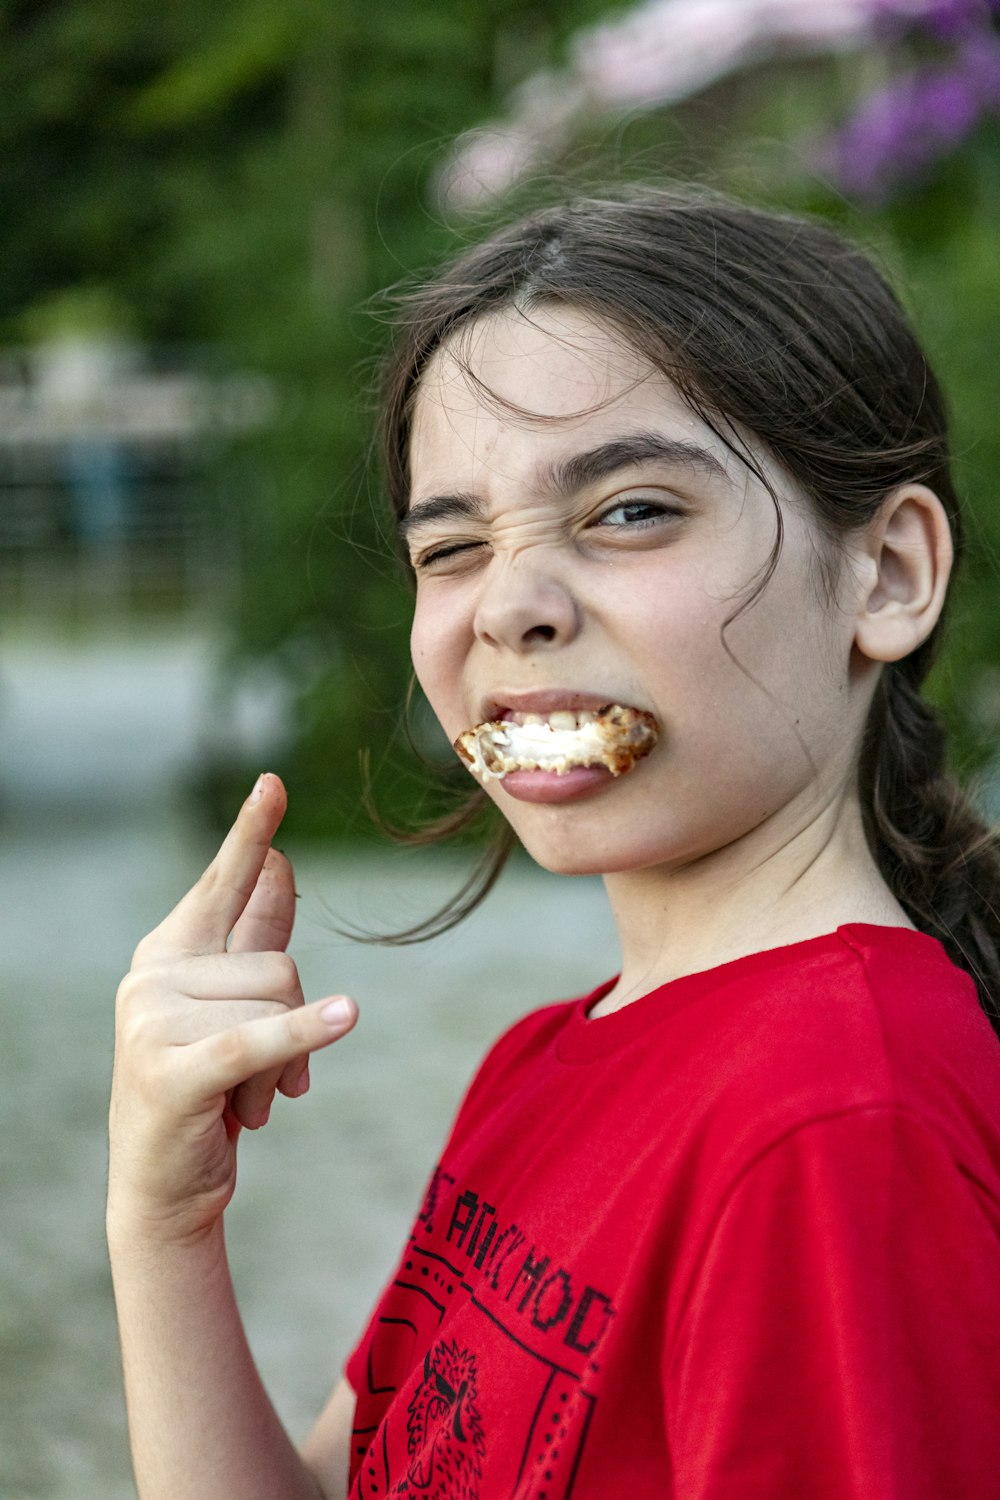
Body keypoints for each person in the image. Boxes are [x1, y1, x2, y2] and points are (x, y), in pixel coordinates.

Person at [107, 188, 1000, 1499]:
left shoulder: (834, 1120)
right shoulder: (546, 1061)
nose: (510, 607)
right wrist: (164, 1227)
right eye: (453, 546)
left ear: (887, 575)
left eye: (630, 512)